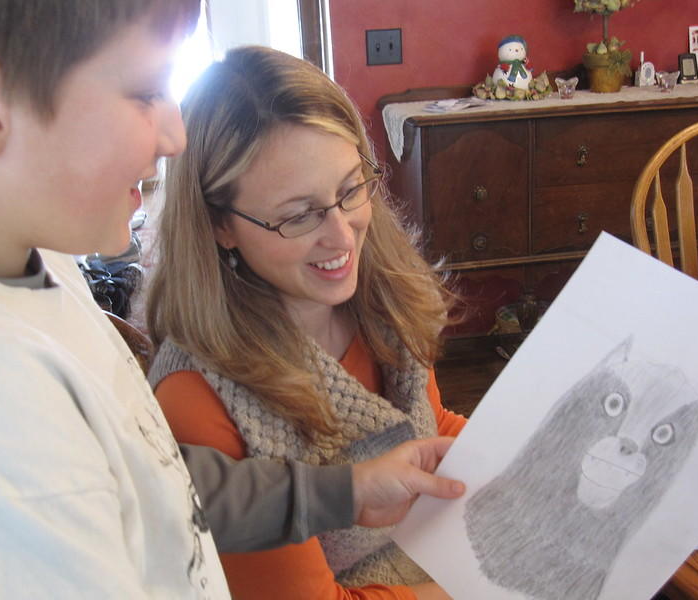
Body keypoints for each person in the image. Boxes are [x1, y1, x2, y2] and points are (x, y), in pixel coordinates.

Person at [0, 2, 468, 598]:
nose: (175, 135)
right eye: (145, 89)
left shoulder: (26, 258)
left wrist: (344, 490)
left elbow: (157, 476)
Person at [146, 46, 468, 600]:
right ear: (221, 225)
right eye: (298, 216)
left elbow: (428, 427)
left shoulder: (379, 296)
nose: (343, 238)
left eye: (349, 191)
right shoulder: (199, 397)